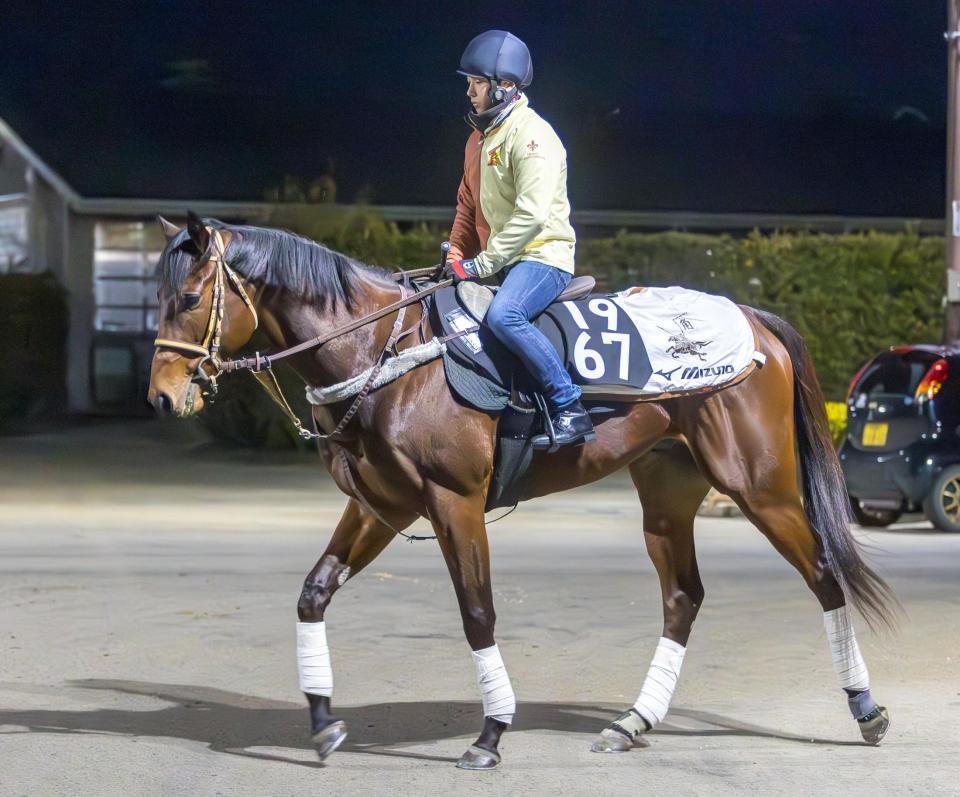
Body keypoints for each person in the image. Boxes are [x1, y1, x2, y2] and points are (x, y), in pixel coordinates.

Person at [444, 29, 595, 450]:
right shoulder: (479, 138)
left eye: (477, 84)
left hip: (543, 257)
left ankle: (568, 405)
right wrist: (456, 252)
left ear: (504, 86)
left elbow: (531, 215)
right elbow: (467, 205)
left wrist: (480, 265)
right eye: (469, 83)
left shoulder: (533, 137)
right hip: (505, 260)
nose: (470, 92)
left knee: (503, 316)